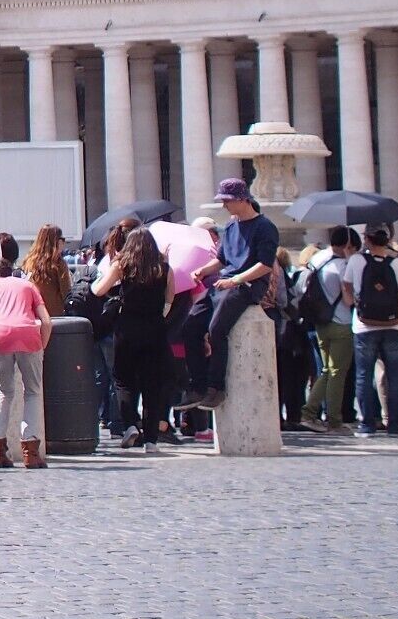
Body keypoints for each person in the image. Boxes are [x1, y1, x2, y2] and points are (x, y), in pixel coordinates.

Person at [186, 178, 281, 413]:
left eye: (227, 201)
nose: (224, 206)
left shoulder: (265, 227)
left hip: (247, 286)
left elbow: (265, 264)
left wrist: (236, 280)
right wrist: (203, 271)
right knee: (190, 326)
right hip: (225, 283)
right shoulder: (229, 226)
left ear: (242, 199)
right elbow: (222, 259)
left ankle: (216, 388)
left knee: (217, 329)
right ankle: (197, 386)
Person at [0, 233, 52, 467]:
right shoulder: (28, 286)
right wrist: (41, 346)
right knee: (32, 391)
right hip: (28, 336)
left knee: (5, 391)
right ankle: (31, 453)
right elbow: (46, 321)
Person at [92, 224, 178, 447]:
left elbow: (99, 290)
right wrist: (160, 315)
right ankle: (151, 440)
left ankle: (130, 424)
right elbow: (170, 299)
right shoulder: (164, 268)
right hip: (155, 329)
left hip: (127, 328)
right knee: (153, 384)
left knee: (123, 379)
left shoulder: (123, 265)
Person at [342, 223, 398, 437]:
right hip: (393, 325)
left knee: (363, 375)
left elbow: (346, 286)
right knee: (396, 377)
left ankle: (367, 425)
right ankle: (395, 425)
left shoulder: (356, 260)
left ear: (367, 239)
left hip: (364, 325)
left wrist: (350, 301)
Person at [302, 227, 358, 431]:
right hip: (341, 322)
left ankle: (309, 412)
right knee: (337, 373)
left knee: (326, 370)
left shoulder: (318, 259)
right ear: (347, 245)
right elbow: (348, 298)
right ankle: (333, 420)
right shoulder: (343, 266)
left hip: (320, 322)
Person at [24, 225, 73, 316]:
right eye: (62, 239)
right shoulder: (58, 264)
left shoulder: (29, 262)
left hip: (34, 314)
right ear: (56, 241)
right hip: (55, 317)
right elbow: (66, 293)